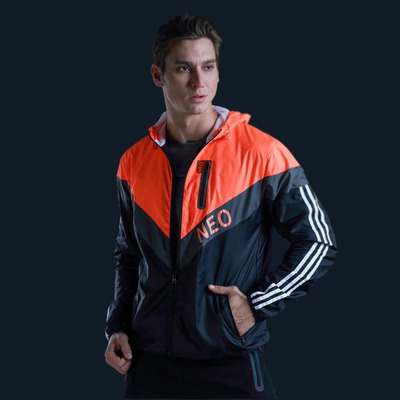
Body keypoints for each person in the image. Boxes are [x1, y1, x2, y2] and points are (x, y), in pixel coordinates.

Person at [104, 13, 338, 399]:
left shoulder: (262, 153)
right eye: (184, 68)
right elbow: (129, 255)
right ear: (158, 75)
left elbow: (318, 241)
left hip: (230, 362)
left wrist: (257, 304)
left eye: (208, 67)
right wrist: (118, 326)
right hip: (149, 364)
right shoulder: (134, 161)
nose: (199, 82)